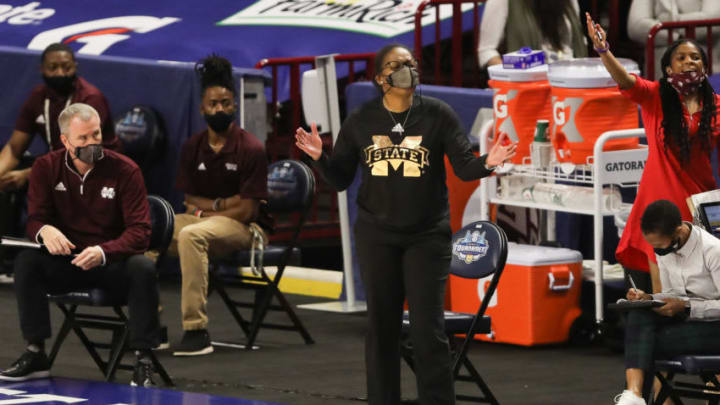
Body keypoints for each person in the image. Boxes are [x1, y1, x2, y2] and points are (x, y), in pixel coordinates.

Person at [294, 43, 517, 405]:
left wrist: (488, 161)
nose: (408, 70)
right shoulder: (362, 119)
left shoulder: (438, 115)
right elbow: (339, 179)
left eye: (412, 64)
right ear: (381, 78)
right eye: (398, 65)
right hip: (376, 235)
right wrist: (321, 157)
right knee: (382, 329)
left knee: (429, 332)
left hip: (426, 236)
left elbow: (463, 166)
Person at [0, 103, 160, 387]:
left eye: (96, 135)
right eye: (83, 139)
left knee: (143, 266)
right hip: (70, 261)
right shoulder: (45, 167)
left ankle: (144, 359)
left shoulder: (126, 170)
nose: (91, 144)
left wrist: (103, 252)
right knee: (27, 262)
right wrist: (44, 231)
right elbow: (35, 219)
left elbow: (140, 232)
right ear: (65, 141)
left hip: (111, 262)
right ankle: (35, 352)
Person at [587, 15, 720, 295]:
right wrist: (603, 51)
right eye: (681, 58)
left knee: (704, 275)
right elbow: (625, 80)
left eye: (695, 57)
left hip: (699, 197)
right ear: (668, 67)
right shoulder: (655, 96)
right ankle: (661, 324)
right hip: (658, 195)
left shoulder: (716, 105)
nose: (688, 62)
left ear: (705, 66)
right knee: (661, 271)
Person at [170, 55, 269, 357]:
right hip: (205, 220)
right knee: (150, 229)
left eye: (226, 103)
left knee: (191, 235)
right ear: (202, 108)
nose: (220, 109)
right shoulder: (193, 147)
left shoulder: (250, 148)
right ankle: (149, 326)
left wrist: (206, 213)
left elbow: (248, 210)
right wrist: (218, 206)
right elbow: (189, 200)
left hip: (247, 230)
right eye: (213, 104)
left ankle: (196, 331)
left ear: (235, 106)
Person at [612, 200, 720, 405]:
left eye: (661, 247)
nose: (659, 252)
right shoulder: (663, 246)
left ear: (679, 231)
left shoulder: (713, 251)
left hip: (715, 326)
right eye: (655, 248)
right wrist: (650, 298)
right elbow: (672, 293)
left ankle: (634, 397)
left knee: (644, 343)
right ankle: (634, 395)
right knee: (638, 312)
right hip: (687, 321)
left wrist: (687, 307)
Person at [0, 43, 120, 192]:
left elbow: (81, 154)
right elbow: (13, 149)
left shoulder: (90, 99)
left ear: (75, 67)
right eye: (53, 67)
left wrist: (27, 175)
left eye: (66, 67)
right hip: (58, 166)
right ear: (42, 69)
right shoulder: (38, 97)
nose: (60, 73)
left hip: (97, 169)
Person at [477, 0, 587, 69]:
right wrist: (512, 75)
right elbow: (486, 51)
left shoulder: (570, 2)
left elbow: (578, 42)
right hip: (530, 84)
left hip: (571, 79)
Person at [628, 0, 720, 79]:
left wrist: (665, 21)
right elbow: (635, 26)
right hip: (660, 77)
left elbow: (714, 19)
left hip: (708, 77)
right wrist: (677, 37)